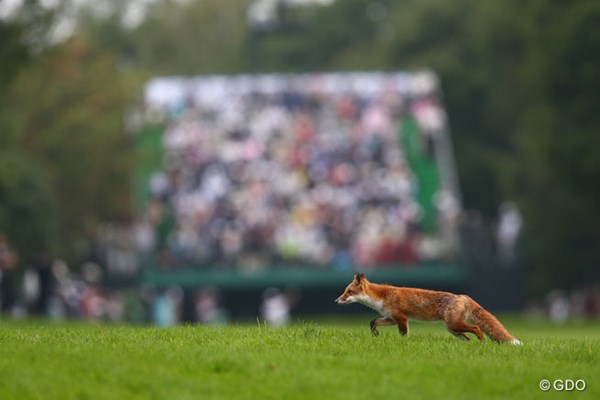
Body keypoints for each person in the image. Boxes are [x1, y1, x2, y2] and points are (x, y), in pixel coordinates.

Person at [0, 234, 19, 314]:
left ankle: (7, 308)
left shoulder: (6, 249)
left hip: (6, 272)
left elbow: (13, 260)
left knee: (8, 291)